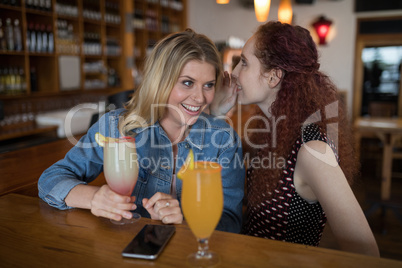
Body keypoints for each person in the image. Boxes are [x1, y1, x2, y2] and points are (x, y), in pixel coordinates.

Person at [38, 29, 245, 233]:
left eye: (208, 85)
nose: (200, 98)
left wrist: (184, 219)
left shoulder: (223, 140)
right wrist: (94, 198)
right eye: (187, 83)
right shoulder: (116, 127)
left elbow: (231, 222)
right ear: (160, 81)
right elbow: (50, 180)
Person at [210, 21, 380, 256]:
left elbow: (367, 253)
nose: (235, 72)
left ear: (273, 77)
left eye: (244, 63)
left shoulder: (312, 151)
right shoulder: (274, 130)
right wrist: (218, 114)